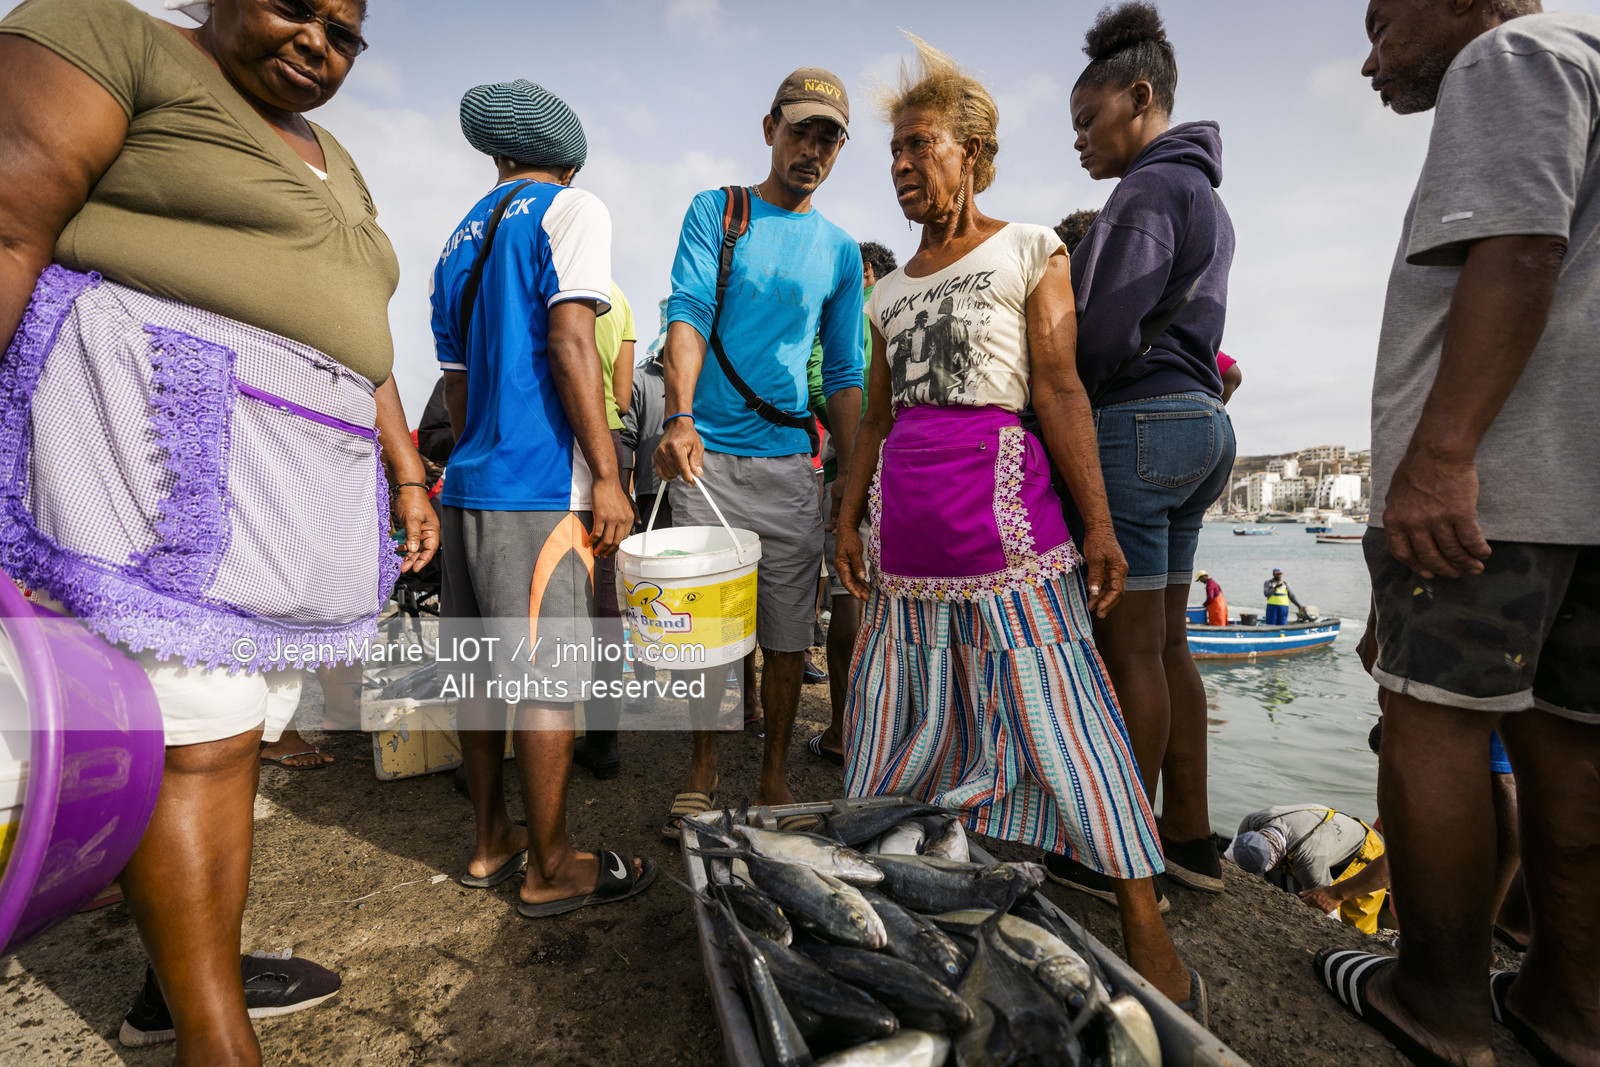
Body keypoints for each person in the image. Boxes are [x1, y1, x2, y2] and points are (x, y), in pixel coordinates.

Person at [0, 0, 439, 1058]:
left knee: (231, 731)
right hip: (160, 449)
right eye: (296, 8)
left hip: (300, 482)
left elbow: (357, 326)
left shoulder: (329, 148)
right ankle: (211, 1031)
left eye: (345, 35)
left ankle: (176, 987)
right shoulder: (108, 36)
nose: (318, 45)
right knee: (195, 736)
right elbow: (12, 220)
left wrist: (405, 468)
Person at [834, 35, 1204, 1020]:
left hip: (1004, 532)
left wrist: (1100, 525)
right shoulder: (886, 289)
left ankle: (1147, 934)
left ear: (972, 151)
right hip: (906, 545)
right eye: (895, 155)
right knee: (900, 730)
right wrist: (848, 517)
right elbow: (874, 414)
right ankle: (899, 914)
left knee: (1068, 727)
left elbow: (1057, 385)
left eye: (920, 146)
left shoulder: (1029, 246)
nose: (904, 166)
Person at [1314, 5, 1600, 1066]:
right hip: (1583, 488)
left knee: (1430, 720)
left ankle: (1435, 998)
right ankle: (1567, 1008)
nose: (1370, 55)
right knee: (1570, 746)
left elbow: (1522, 245)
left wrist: (1439, 455)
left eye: (1384, 21)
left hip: (1498, 486)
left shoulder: (1506, 56)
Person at [430, 78, 654, 918]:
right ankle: (552, 863)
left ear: (498, 153)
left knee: (480, 675)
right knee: (548, 680)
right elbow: (571, 342)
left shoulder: (455, 241)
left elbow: (455, 391)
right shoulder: (572, 208)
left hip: (470, 487)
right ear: (568, 157)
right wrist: (606, 471)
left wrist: (477, 458)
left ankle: (493, 841)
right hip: (538, 486)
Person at [1048, 1, 1237, 902]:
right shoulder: (1208, 194)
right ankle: (1190, 841)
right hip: (1202, 424)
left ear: (1140, 95)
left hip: (1140, 425)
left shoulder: (1149, 189)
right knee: (1169, 645)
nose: (1081, 141)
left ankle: (1114, 855)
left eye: (1089, 121)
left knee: (1127, 648)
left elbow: (1098, 338)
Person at [654, 67, 864, 837]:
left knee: (785, 634)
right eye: (801, 129)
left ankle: (773, 770)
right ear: (769, 126)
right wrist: (679, 414)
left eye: (828, 137)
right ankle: (704, 762)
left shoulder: (841, 252)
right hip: (705, 460)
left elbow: (844, 372)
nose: (812, 148)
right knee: (708, 632)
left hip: (790, 466)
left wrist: (850, 480)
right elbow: (688, 310)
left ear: (840, 150)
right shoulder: (719, 211)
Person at [805, 240, 893, 767]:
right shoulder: (911, 299)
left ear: (861, 271)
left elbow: (819, 378)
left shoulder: (851, 309)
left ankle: (843, 732)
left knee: (847, 591)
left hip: (847, 470)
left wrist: (849, 424)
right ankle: (897, 733)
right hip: (909, 468)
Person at [573, 280, 637, 780]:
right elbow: (621, 393)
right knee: (606, 602)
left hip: (555, 432)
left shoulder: (546, 279)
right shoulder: (620, 298)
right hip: (610, 441)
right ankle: (604, 742)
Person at [1227, 805, 1389, 934]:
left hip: (1364, 850)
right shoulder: (1250, 823)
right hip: (1322, 826)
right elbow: (1227, 860)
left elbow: (1327, 906)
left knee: (1356, 923)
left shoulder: (1310, 859)